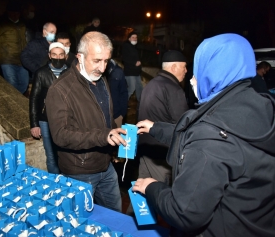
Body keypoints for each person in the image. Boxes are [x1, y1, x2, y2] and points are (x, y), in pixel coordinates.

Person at [133, 33, 275, 236]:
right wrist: (157, 128)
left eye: (197, 72)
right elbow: (201, 132)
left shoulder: (210, 136)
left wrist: (153, 188)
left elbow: (184, 212)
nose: (192, 79)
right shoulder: (259, 107)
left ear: (213, 72)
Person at [45, 32, 127, 212]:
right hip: (80, 171)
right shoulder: (60, 90)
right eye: (97, 60)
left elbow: (104, 117)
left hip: (106, 165)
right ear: (79, 57)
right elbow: (60, 135)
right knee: (81, 223)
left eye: (106, 61)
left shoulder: (101, 79)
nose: (103, 67)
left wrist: (118, 133)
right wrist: (104, 136)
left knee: (116, 219)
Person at [138, 50, 188, 185]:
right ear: (174, 67)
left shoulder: (151, 84)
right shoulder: (173, 89)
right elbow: (182, 125)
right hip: (162, 155)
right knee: (160, 196)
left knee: (141, 194)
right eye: (184, 67)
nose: (186, 71)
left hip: (145, 149)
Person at [29, 42, 68, 174]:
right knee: (51, 156)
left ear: (65, 56)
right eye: (54, 54)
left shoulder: (71, 73)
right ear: (49, 55)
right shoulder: (41, 73)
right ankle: (56, 185)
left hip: (66, 119)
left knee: (65, 155)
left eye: (61, 54)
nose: (58, 57)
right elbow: (34, 98)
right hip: (45, 120)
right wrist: (34, 124)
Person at [0, 1, 29, 94]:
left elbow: (25, 41)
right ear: (8, 12)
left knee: (24, 83)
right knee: (12, 84)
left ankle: (17, 101)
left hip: (22, 60)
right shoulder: (0, 24)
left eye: (17, 13)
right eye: (12, 12)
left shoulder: (22, 25)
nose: (15, 15)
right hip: (7, 60)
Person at [105, 59, 128, 128]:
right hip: (100, 117)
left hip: (116, 115)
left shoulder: (117, 72)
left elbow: (124, 93)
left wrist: (121, 114)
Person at [122, 31, 143, 101]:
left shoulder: (135, 47)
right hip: (130, 71)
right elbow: (124, 58)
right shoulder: (126, 46)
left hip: (137, 72)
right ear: (129, 38)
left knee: (139, 87)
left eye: (136, 37)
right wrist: (134, 62)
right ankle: (123, 103)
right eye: (133, 37)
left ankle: (140, 103)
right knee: (131, 88)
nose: (135, 39)